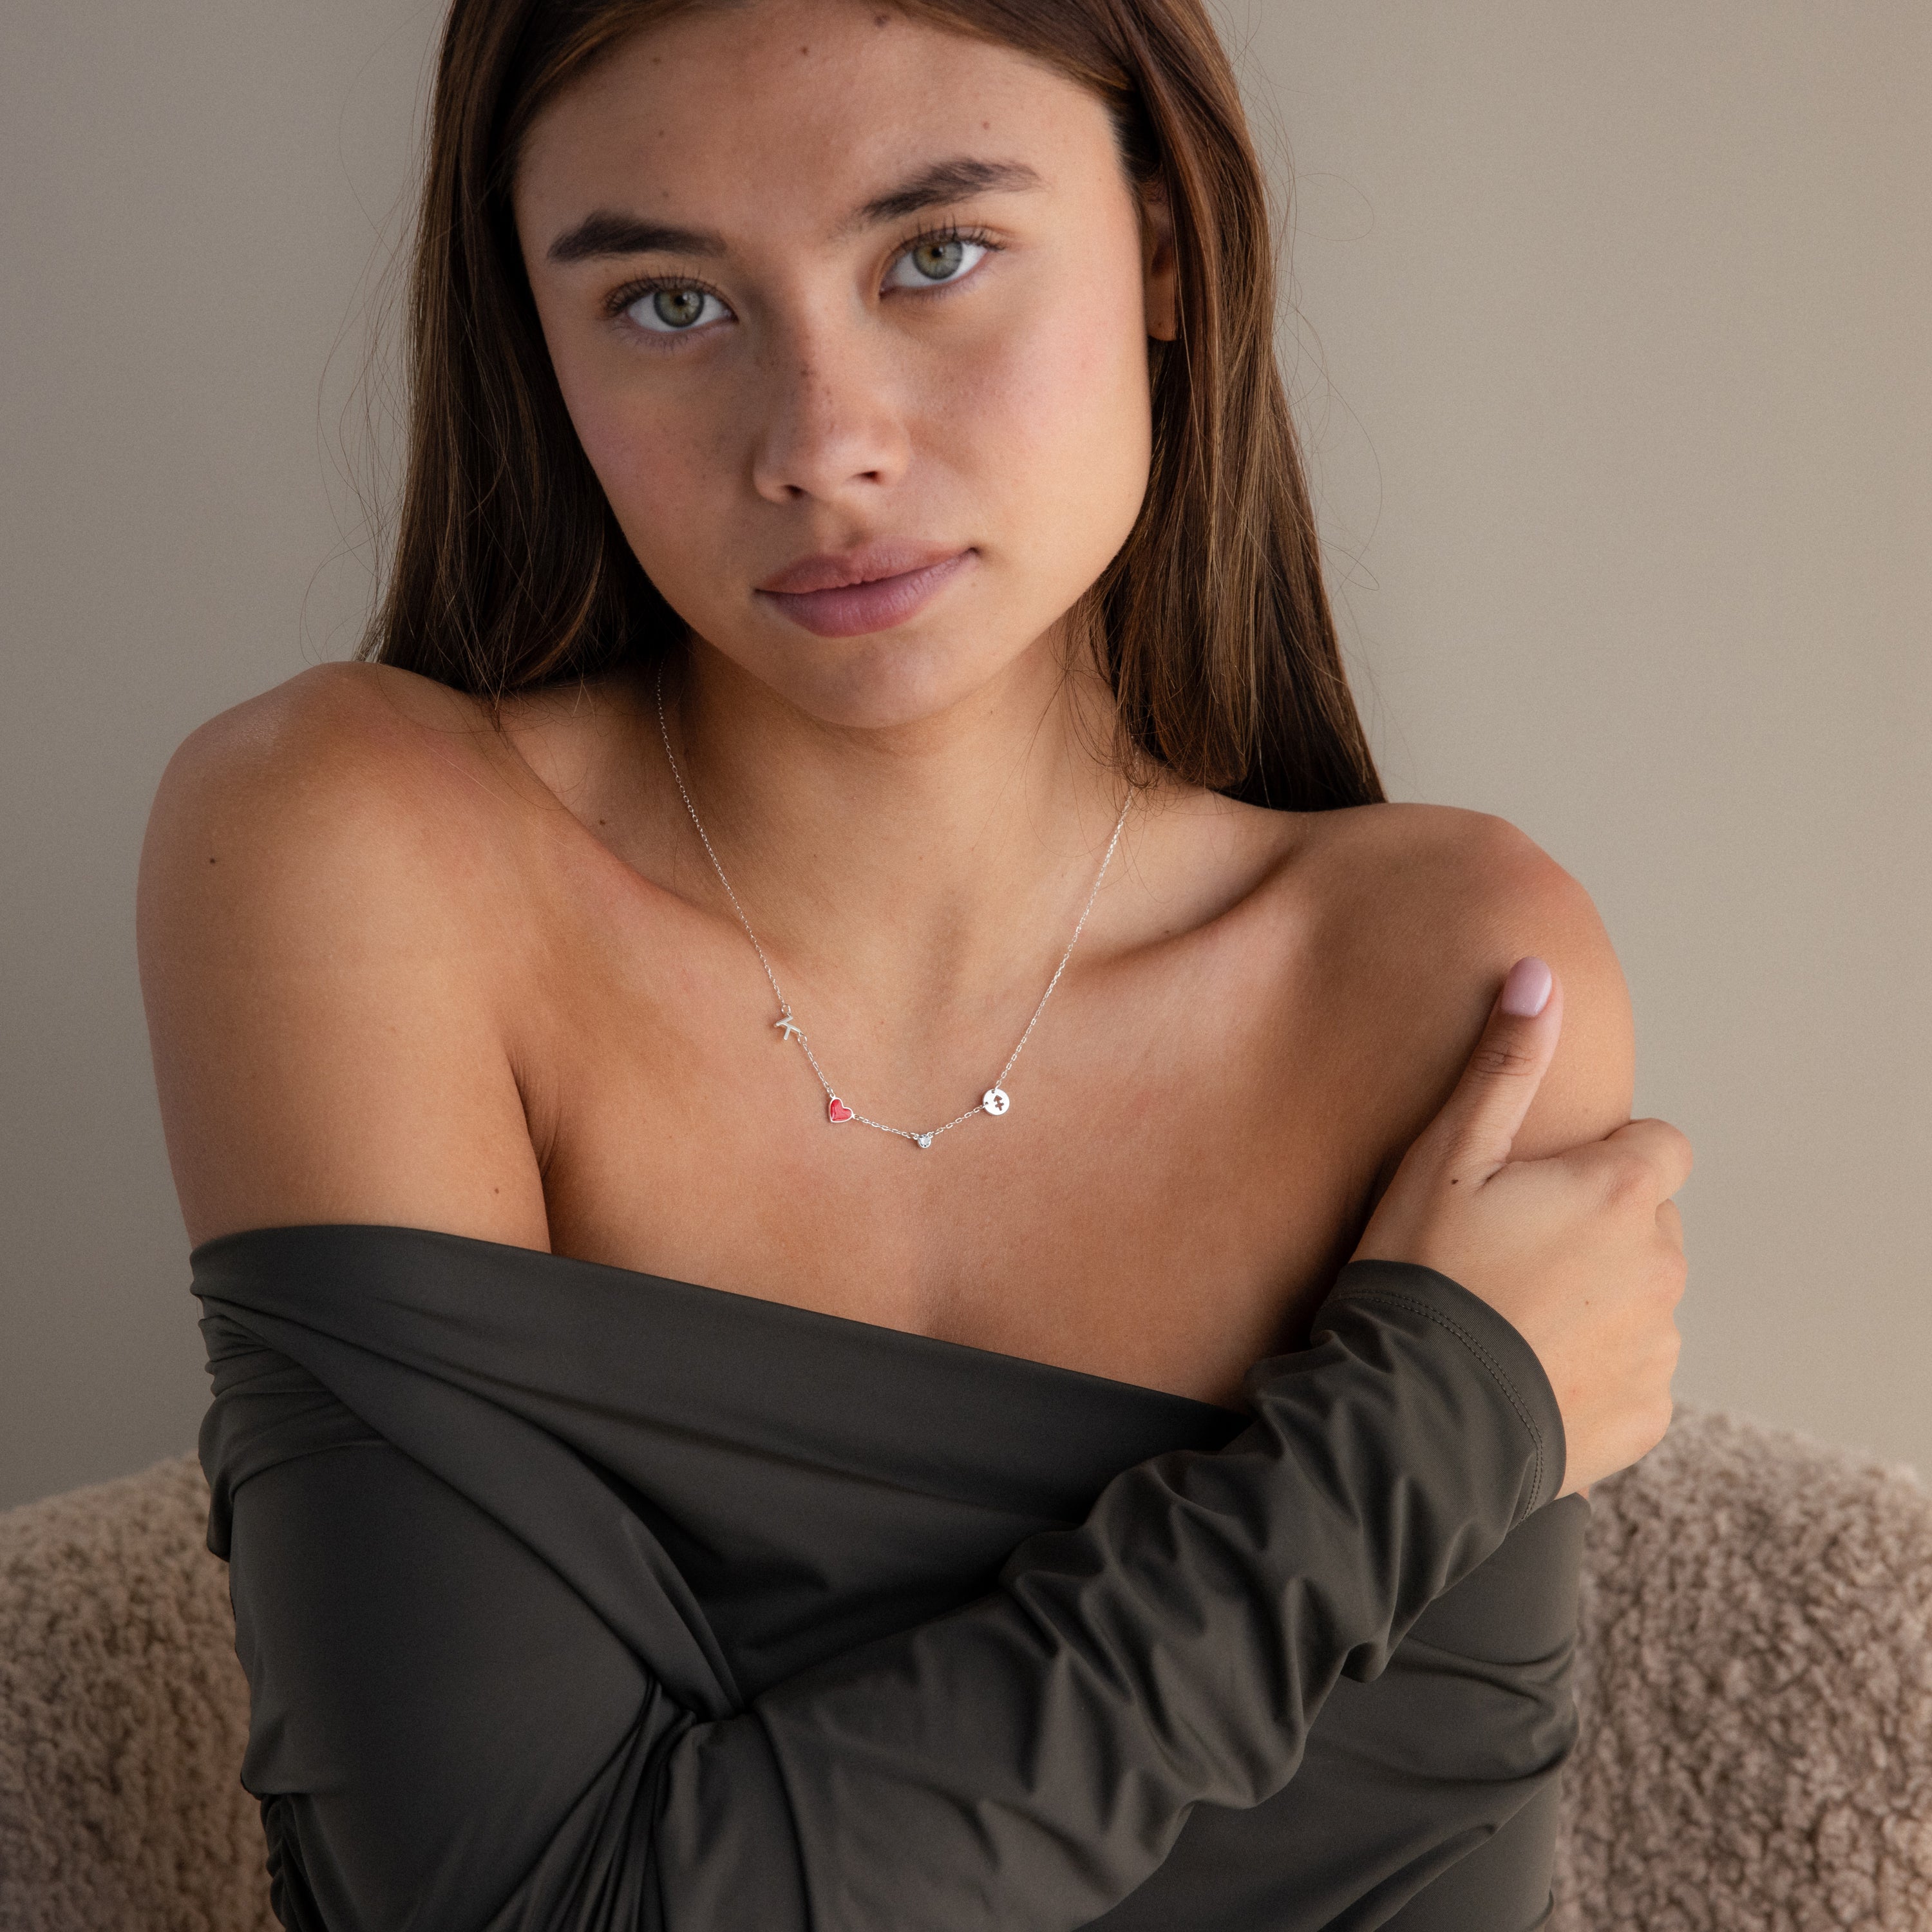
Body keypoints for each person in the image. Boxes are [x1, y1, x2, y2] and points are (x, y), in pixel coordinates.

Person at [137, 1, 1689, 1927]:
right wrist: (1401, 1452)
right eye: (670, 304)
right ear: (534, 338)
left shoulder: (1440, 979)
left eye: (935, 256)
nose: (823, 448)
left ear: (1167, 241)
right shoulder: (365, 853)